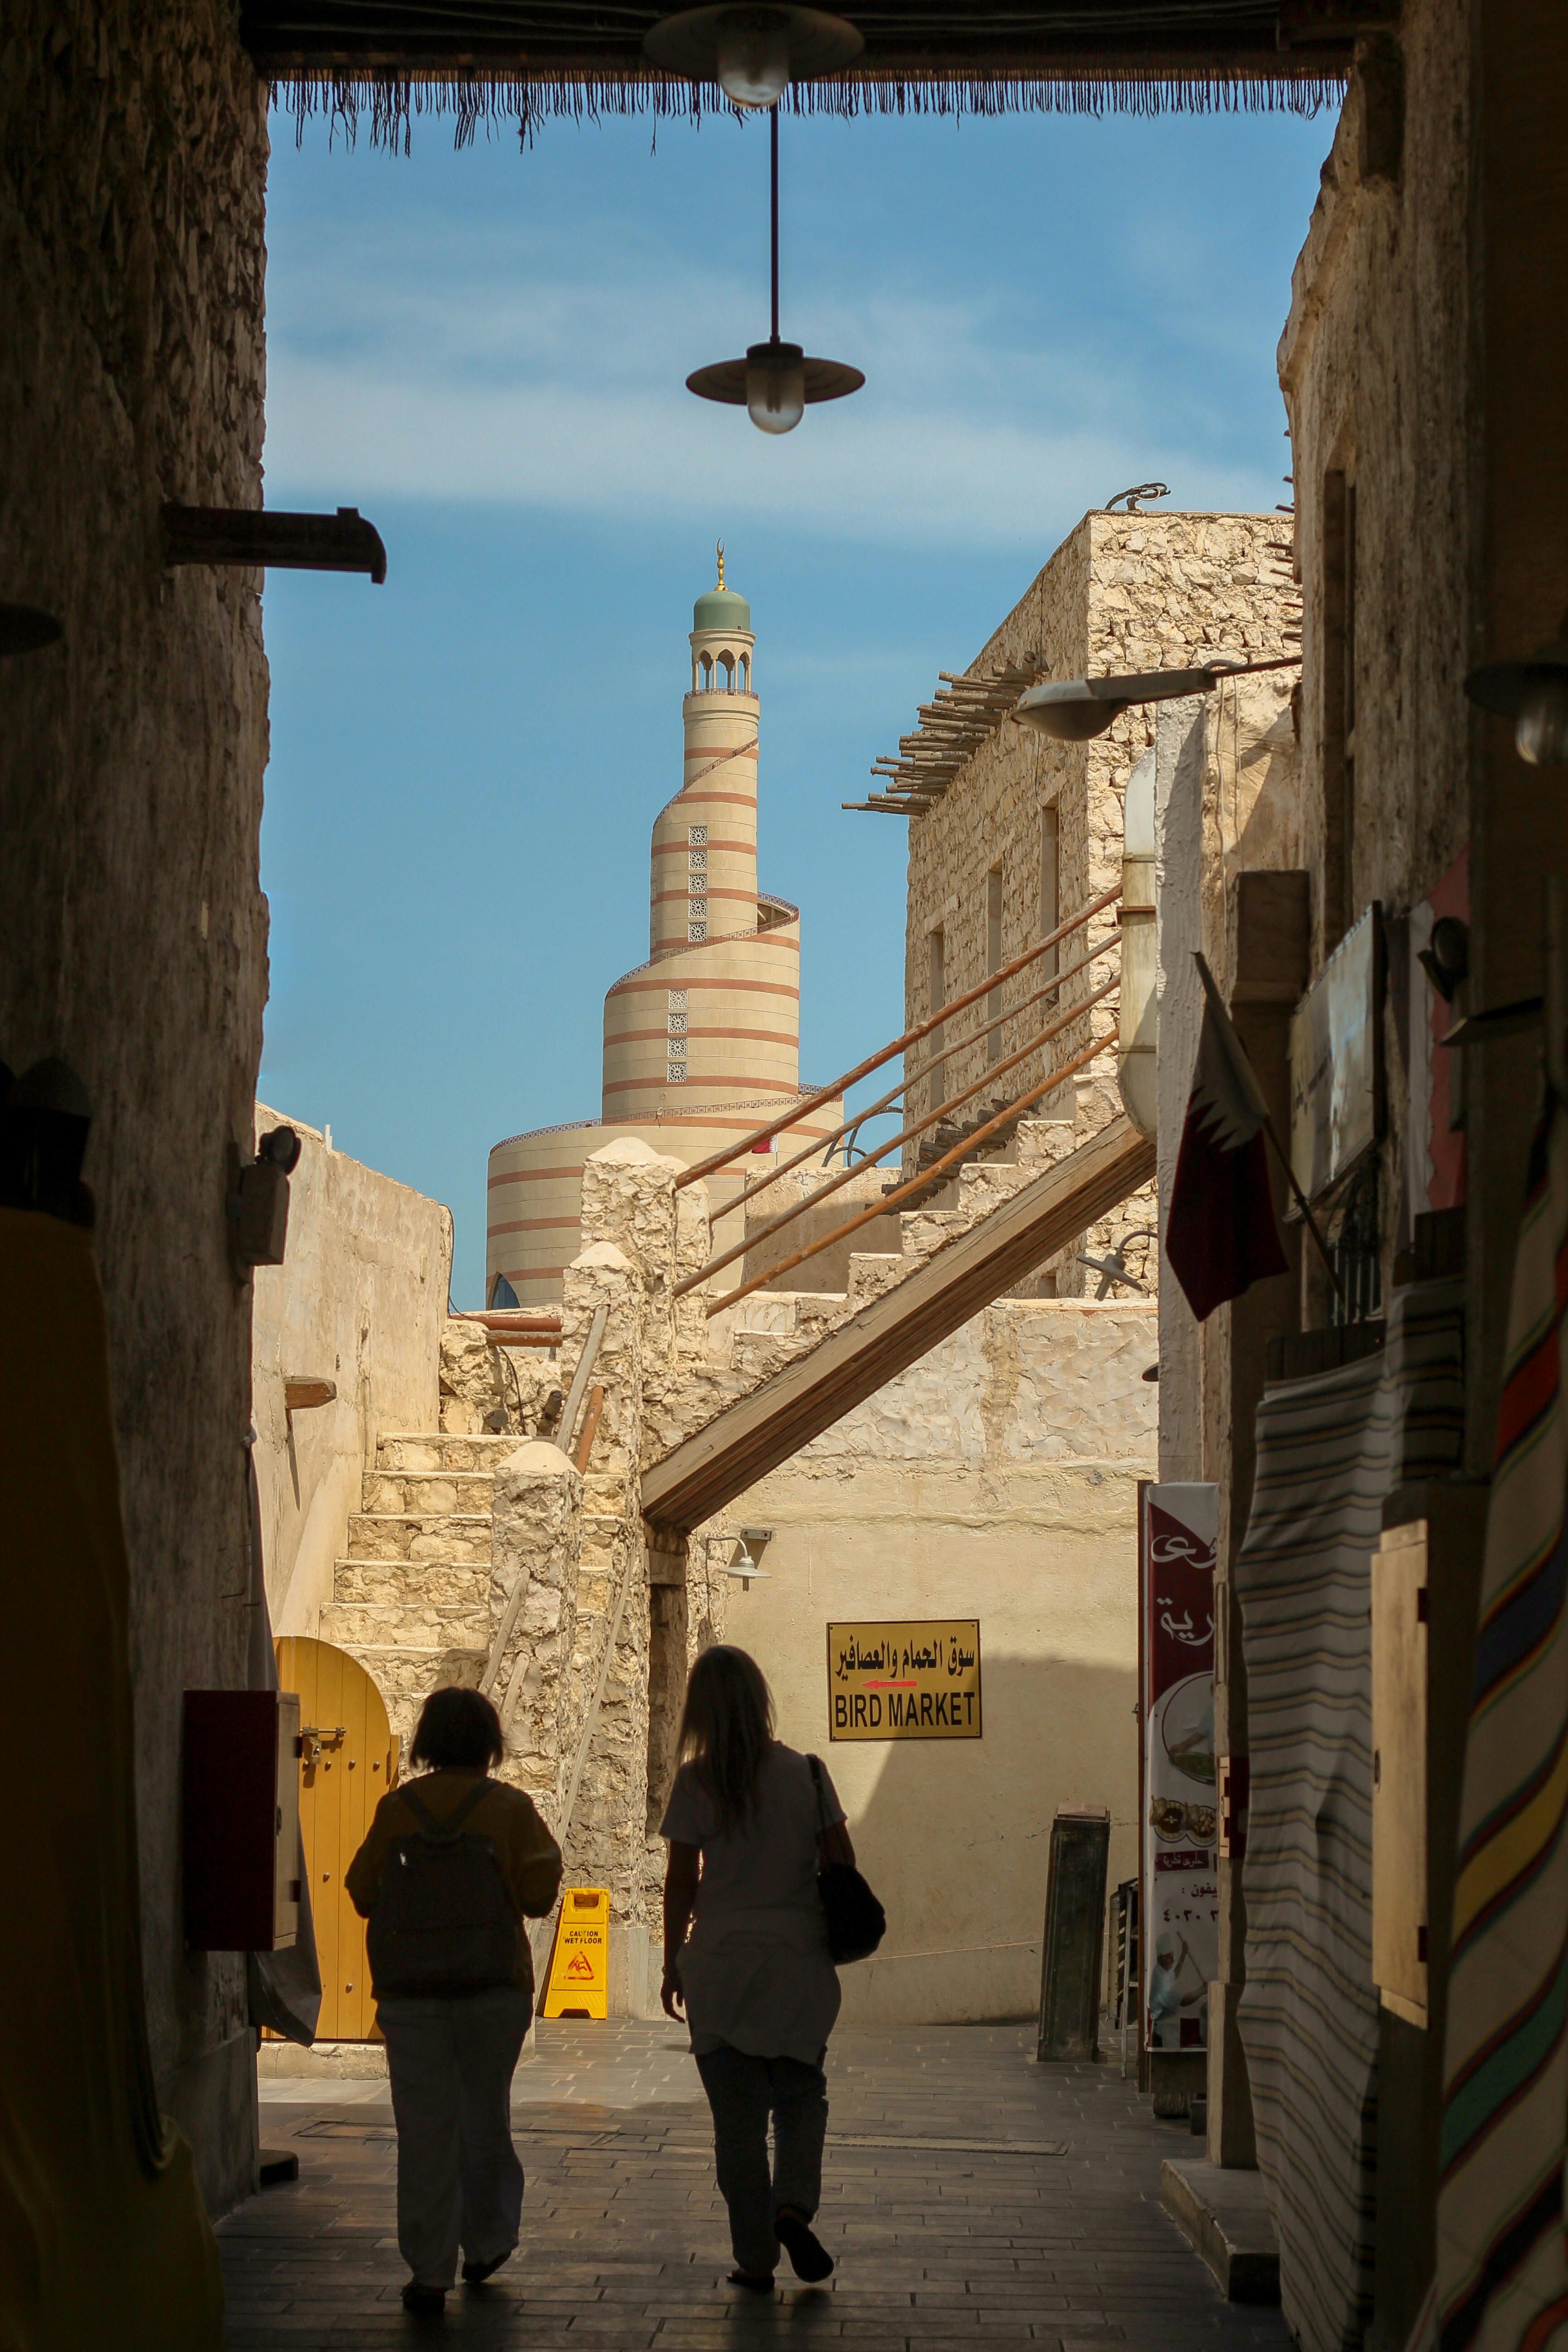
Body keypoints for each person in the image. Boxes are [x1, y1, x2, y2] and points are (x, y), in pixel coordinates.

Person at [346, 1686, 562, 2317]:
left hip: (412, 1995)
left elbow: (362, 1891)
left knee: (423, 2128)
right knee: (485, 2114)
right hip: (493, 1989)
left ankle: (429, 2272)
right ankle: (489, 2239)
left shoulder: (397, 1809)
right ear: (490, 1743)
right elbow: (538, 1895)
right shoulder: (512, 1809)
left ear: (428, 1742)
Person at [659, 1645, 854, 2293]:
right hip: (799, 1965)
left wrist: (670, 1963)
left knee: (737, 2127)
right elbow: (843, 1865)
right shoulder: (810, 1775)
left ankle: (755, 2258)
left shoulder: (696, 1782)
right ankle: (794, 2205)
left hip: (723, 1967)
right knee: (801, 2097)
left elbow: (681, 1884)